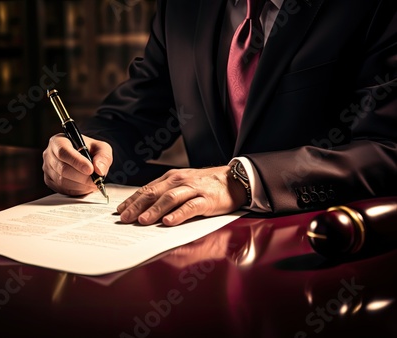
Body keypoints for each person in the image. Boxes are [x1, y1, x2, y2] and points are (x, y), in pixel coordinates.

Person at [42, 0, 397, 226]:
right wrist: (86, 152)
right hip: (192, 245)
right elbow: (138, 114)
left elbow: (386, 149)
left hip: (320, 243)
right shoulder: (182, 8)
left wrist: (241, 180)